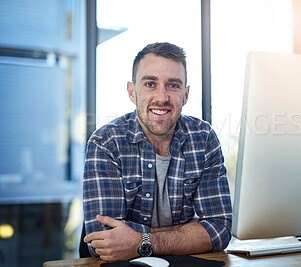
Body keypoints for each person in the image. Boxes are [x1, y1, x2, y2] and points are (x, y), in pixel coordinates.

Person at [83, 42, 232, 261]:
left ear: (186, 94)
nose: (162, 97)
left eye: (173, 85)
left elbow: (220, 229)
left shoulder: (204, 137)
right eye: (150, 84)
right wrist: (188, 231)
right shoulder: (106, 142)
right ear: (132, 92)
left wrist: (140, 241)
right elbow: (104, 240)